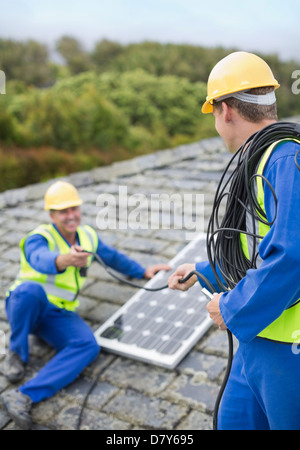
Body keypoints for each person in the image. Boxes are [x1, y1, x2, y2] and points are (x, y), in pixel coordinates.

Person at [168, 51, 300, 430]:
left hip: (287, 350)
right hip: (257, 338)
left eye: (212, 113)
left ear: (225, 110)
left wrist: (233, 307)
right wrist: (204, 271)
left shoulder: (285, 160)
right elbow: (256, 248)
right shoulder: (259, 161)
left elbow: (292, 256)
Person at [1, 180, 170, 429]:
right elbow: (39, 258)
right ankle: (17, 351)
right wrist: (64, 259)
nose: (71, 216)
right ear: (51, 215)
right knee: (29, 290)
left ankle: (23, 395)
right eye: (63, 211)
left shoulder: (88, 236)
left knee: (87, 345)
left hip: (57, 315)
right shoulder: (39, 237)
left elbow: (112, 257)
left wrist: (144, 271)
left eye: (74, 209)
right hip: (25, 308)